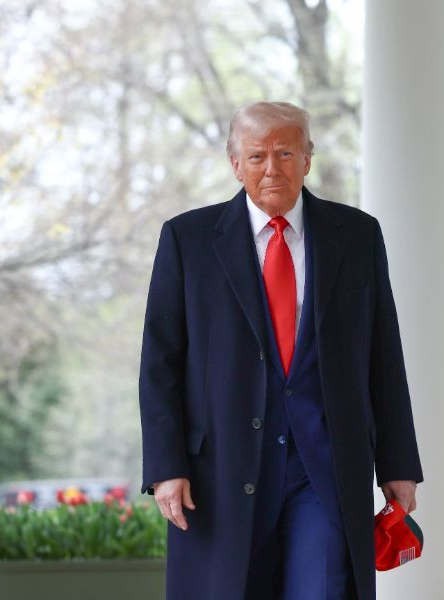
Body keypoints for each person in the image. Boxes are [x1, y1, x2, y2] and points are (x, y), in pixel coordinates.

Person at [139, 101, 423, 600]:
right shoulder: (187, 240)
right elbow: (160, 363)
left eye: (286, 153)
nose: (272, 168)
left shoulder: (357, 236)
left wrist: (398, 464)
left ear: (307, 159)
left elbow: (383, 355)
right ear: (236, 164)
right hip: (221, 473)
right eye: (257, 156)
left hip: (326, 470)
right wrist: (166, 467)